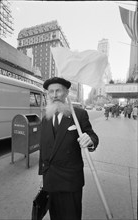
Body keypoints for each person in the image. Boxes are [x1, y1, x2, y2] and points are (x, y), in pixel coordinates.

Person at [38, 77, 99, 220]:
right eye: (51, 92)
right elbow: (44, 149)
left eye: (58, 91)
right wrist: (43, 176)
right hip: (51, 179)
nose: (54, 95)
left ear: (66, 93)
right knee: (55, 215)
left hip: (70, 180)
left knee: (71, 215)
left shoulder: (79, 115)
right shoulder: (45, 118)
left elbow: (92, 136)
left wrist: (89, 140)